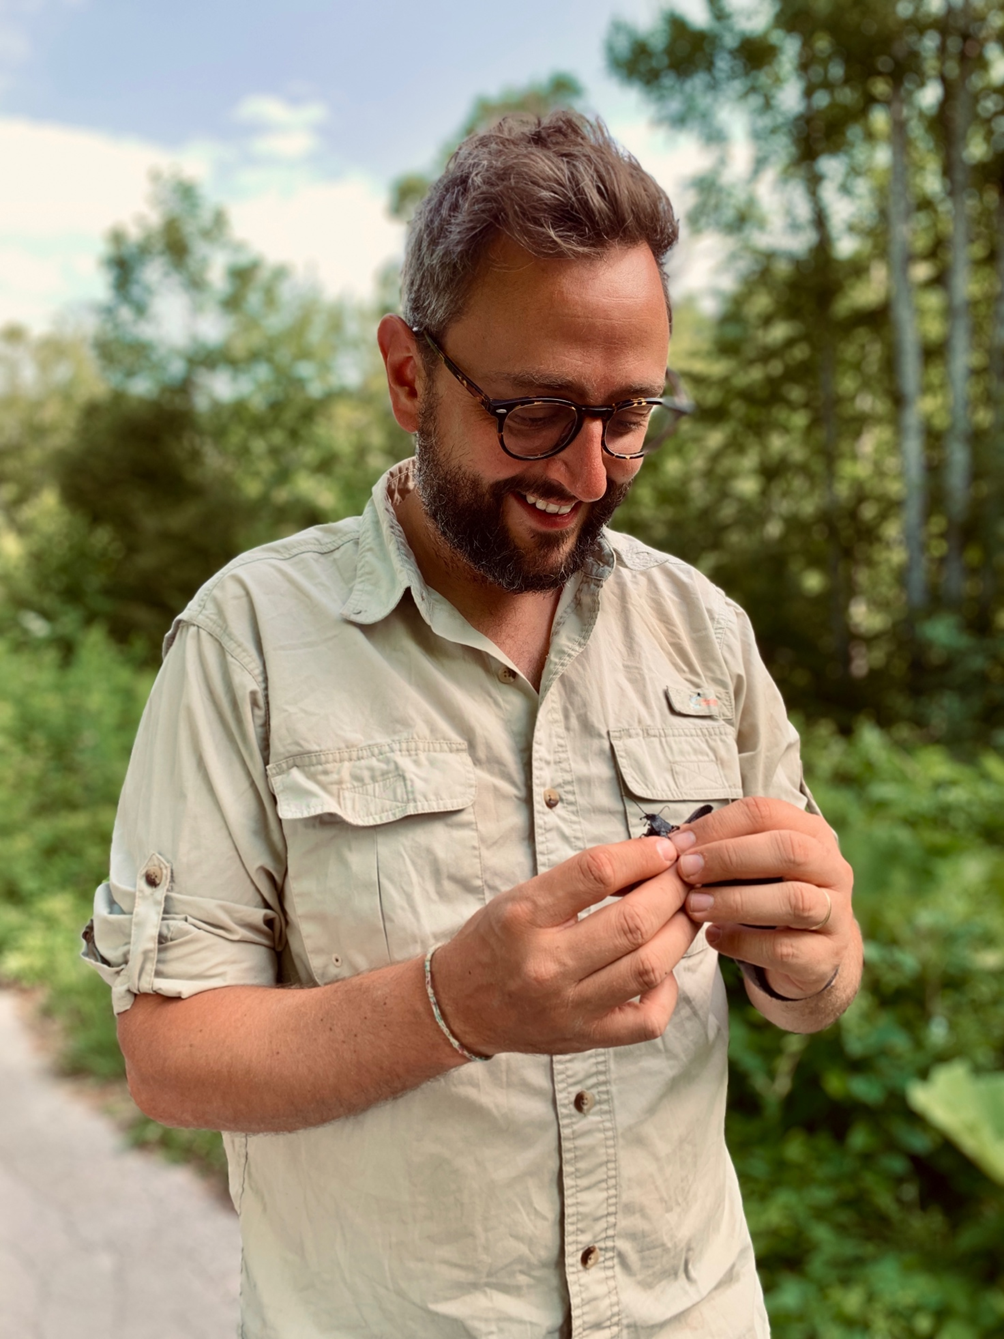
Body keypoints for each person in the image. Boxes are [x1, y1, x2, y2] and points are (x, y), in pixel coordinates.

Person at [83, 112, 862, 1338]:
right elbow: (169, 1056)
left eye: (632, 414)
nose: (590, 473)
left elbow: (808, 983)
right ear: (408, 372)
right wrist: (456, 1004)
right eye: (536, 410)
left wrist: (815, 959)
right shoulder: (249, 640)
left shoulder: (701, 632)